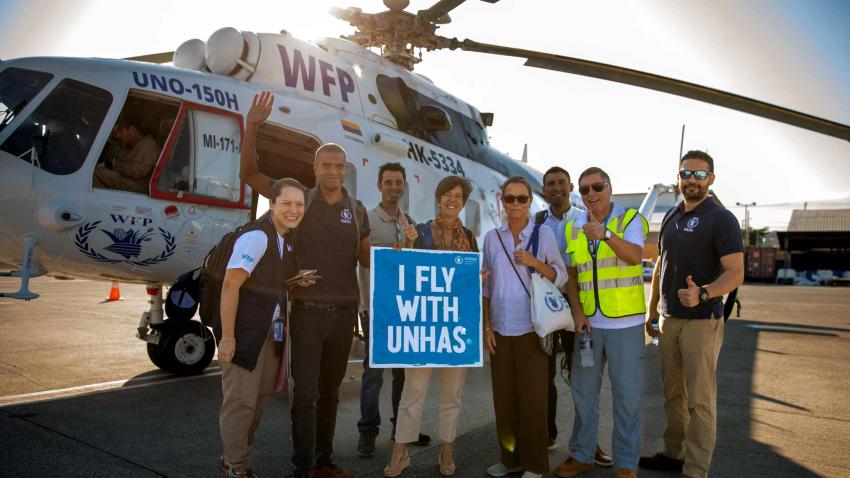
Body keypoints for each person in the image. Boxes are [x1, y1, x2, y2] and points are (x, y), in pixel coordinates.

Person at [239, 91, 370, 478]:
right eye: (326, 164)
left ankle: (324, 462)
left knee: (331, 394)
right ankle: (303, 467)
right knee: (305, 395)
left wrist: (405, 248)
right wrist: (252, 127)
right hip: (308, 314)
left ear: (345, 170)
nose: (332, 171)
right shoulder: (297, 201)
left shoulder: (357, 210)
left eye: (338, 166)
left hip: (345, 314)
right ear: (315, 167)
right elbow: (249, 175)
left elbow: (366, 259)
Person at [639, 151, 744, 478]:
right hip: (670, 319)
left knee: (700, 401)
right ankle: (674, 454)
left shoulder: (721, 219)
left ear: (711, 179)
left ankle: (695, 470)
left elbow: (735, 272)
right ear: (678, 176)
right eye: (686, 174)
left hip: (702, 321)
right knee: (673, 394)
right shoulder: (672, 214)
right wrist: (654, 307)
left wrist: (704, 292)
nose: (692, 180)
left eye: (699, 175)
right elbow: (660, 265)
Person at [383, 175, 478, 478]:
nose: (452, 200)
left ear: (463, 203)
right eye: (447, 194)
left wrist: (478, 280)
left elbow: (468, 282)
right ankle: (400, 452)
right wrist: (406, 246)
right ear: (439, 198)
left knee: (452, 395)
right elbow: (404, 273)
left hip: (454, 328)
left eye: (458, 196)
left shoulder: (470, 237)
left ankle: (446, 451)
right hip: (422, 327)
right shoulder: (420, 232)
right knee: (413, 392)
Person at [555, 167, 647, 478]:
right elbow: (571, 275)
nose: (591, 194)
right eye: (584, 190)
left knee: (626, 395)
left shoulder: (630, 219)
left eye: (597, 186)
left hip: (626, 324)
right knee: (583, 392)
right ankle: (582, 455)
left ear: (609, 187)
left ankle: (625, 463)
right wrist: (578, 313)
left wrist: (605, 235)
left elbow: (635, 255)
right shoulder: (572, 227)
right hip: (589, 326)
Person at [216, 178, 309, 478]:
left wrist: (295, 281)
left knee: (258, 399)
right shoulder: (257, 237)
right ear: (272, 204)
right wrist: (228, 337)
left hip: (270, 334)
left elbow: (265, 283)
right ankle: (238, 467)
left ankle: (232, 456)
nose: (293, 210)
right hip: (247, 334)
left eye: (299, 204)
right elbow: (231, 285)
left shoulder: (283, 238)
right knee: (241, 403)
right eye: (287, 203)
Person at [482, 176, 566, 478]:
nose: (515, 204)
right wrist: (487, 328)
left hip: (534, 328)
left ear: (530, 202)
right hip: (501, 329)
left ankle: (535, 465)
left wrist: (534, 262)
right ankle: (510, 460)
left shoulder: (542, 235)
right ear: (501, 201)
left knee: (533, 401)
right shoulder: (492, 238)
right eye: (509, 199)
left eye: (521, 199)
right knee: (504, 400)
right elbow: (486, 288)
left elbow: (561, 276)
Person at [357, 162, 430, 458]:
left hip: (403, 308)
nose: (394, 187)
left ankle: (402, 429)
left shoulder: (408, 221)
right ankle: (367, 433)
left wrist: (413, 246)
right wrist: (391, 249)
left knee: (403, 375)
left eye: (398, 182)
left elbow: (414, 267)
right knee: (373, 375)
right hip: (376, 308)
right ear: (379, 186)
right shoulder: (368, 220)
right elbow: (362, 260)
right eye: (388, 182)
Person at [541, 167, 613, 468]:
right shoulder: (537, 223)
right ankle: (546, 435)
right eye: (550, 184)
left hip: (577, 309)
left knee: (582, 379)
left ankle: (589, 443)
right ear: (544, 189)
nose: (556, 188)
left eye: (561, 183)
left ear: (570, 187)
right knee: (543, 378)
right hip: (545, 310)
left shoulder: (584, 219)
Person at [93, 113, 160, 193]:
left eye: (121, 131)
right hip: (128, 181)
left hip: (138, 185)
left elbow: (137, 172)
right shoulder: (130, 146)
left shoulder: (149, 144)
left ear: (132, 130)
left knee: (96, 173)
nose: (118, 136)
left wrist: (115, 165)